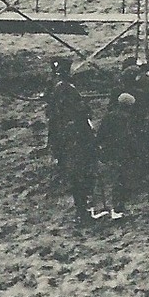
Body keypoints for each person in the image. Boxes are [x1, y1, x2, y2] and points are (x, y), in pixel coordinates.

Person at [44, 58, 109, 229]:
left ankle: (83, 210)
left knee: (75, 172)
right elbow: (79, 111)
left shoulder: (54, 86)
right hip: (75, 137)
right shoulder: (66, 90)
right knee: (81, 173)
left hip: (62, 135)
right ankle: (84, 212)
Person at [95, 91, 144, 216]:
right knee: (122, 180)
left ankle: (107, 208)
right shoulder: (128, 119)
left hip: (109, 153)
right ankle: (118, 208)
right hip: (124, 154)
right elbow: (132, 138)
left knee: (110, 182)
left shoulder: (109, 116)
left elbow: (100, 135)